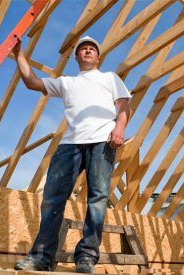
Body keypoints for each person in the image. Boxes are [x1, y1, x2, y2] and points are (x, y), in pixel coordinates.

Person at [12, 36, 131, 273]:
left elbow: (124, 105)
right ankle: (41, 258)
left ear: (98, 57)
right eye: (83, 49)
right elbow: (32, 82)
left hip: (102, 141)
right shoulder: (67, 83)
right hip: (70, 144)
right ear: (77, 57)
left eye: (91, 49)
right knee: (52, 198)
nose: (87, 51)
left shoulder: (110, 78)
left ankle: (86, 256)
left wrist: (119, 128)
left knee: (97, 199)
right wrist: (18, 54)